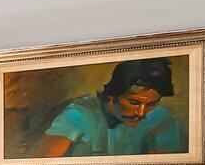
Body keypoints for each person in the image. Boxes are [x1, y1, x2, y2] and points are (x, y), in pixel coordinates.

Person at [34, 57, 188, 157]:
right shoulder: (79, 113)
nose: (141, 113)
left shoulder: (164, 122)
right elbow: (42, 162)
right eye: (134, 102)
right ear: (112, 95)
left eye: (151, 104)